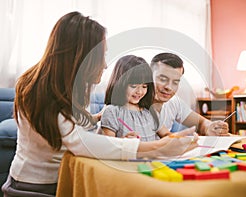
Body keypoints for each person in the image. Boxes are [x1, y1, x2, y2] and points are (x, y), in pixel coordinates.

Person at [1, 12, 198, 196]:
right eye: (101, 56)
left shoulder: (71, 87)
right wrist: (158, 146)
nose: (104, 65)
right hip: (38, 188)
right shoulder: (42, 91)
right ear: (80, 57)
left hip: (63, 178)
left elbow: (72, 129)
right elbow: (79, 142)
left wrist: (95, 119)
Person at [150, 52, 229, 136]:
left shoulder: (173, 102)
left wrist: (210, 127)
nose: (169, 87)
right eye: (163, 79)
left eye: (175, 82)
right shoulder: (137, 103)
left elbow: (201, 123)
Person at [101, 55, 172, 141]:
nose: (139, 92)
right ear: (119, 83)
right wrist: (123, 141)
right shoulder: (112, 112)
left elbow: (166, 134)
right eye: (133, 86)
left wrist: (177, 138)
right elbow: (108, 146)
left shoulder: (150, 112)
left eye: (144, 86)